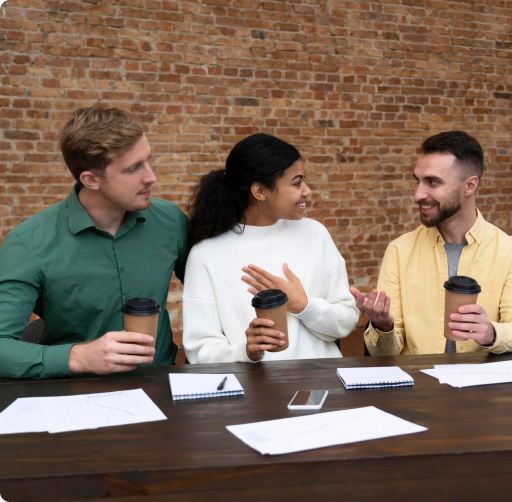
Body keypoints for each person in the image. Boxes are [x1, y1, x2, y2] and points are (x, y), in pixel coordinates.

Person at [0, 107, 188, 378]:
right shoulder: (27, 245)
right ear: (91, 179)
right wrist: (79, 357)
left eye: (148, 160)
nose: (151, 176)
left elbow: (212, 292)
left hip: (161, 387)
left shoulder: (171, 222)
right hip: (74, 395)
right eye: (133, 168)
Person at [351, 131, 512, 356]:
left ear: (469, 186)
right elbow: (384, 355)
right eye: (417, 181)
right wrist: (384, 326)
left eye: (432, 182)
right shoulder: (400, 251)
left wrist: (491, 333)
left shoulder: (511, 251)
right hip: (419, 388)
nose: (418, 194)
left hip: (484, 386)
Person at [182, 133, 359, 363]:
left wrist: (304, 307)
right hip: (250, 392)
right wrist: (245, 351)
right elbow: (199, 350)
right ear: (260, 191)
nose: (307, 190)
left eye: (304, 180)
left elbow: (346, 319)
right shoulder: (206, 255)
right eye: (296, 183)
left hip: (322, 385)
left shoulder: (315, 234)